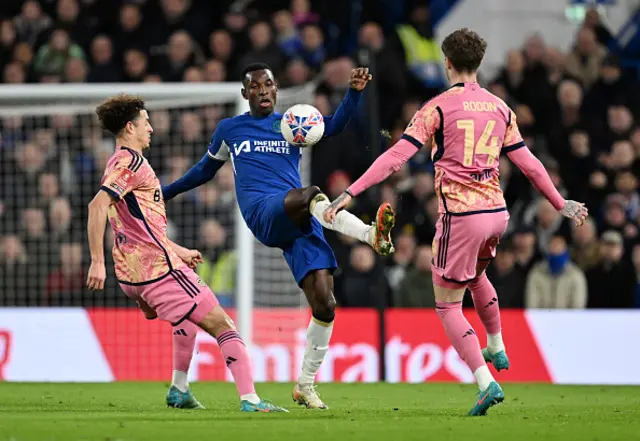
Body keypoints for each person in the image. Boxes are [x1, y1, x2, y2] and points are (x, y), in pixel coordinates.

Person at [324, 28, 588, 416]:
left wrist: (350, 193)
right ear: (478, 63)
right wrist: (559, 201)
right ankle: (495, 343)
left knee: (448, 306)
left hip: (461, 217)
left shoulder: (438, 108)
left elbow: (396, 156)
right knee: (476, 276)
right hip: (497, 214)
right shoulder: (501, 108)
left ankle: (486, 383)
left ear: (447, 62)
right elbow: (529, 163)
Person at [162, 62, 395, 409]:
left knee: (325, 305)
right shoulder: (230, 128)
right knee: (310, 192)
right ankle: (368, 234)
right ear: (245, 94)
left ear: (275, 88)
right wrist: (165, 192)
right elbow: (203, 171)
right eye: (255, 86)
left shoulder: (290, 123)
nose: (263, 90)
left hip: (302, 218)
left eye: (268, 84)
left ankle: (305, 385)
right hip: (265, 211)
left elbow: (335, 126)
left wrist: (354, 93)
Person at [86, 94, 287, 413]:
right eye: (145, 121)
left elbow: (138, 223)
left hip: (132, 274)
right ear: (129, 127)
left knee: (186, 318)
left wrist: (178, 249)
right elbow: (97, 206)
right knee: (224, 326)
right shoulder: (132, 163)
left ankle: (179, 389)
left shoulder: (114, 164)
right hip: (159, 271)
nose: (150, 127)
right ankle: (251, 400)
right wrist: (96, 262)